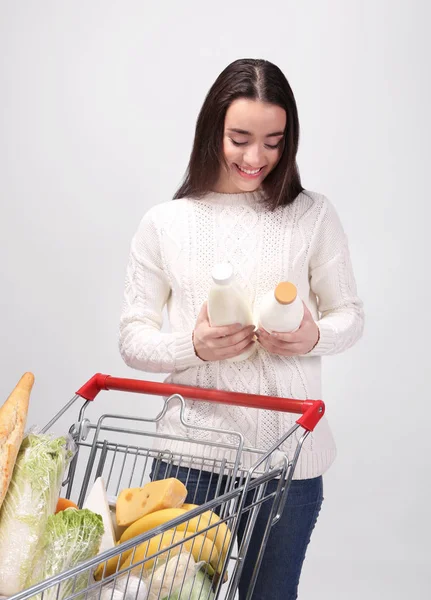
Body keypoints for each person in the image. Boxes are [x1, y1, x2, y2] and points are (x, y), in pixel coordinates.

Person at [119, 58, 364, 600]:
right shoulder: (165, 223)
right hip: (189, 461)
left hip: (287, 466)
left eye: (274, 142)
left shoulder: (312, 215)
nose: (256, 158)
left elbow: (349, 314)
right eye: (240, 138)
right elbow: (133, 338)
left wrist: (312, 337)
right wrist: (193, 346)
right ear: (213, 130)